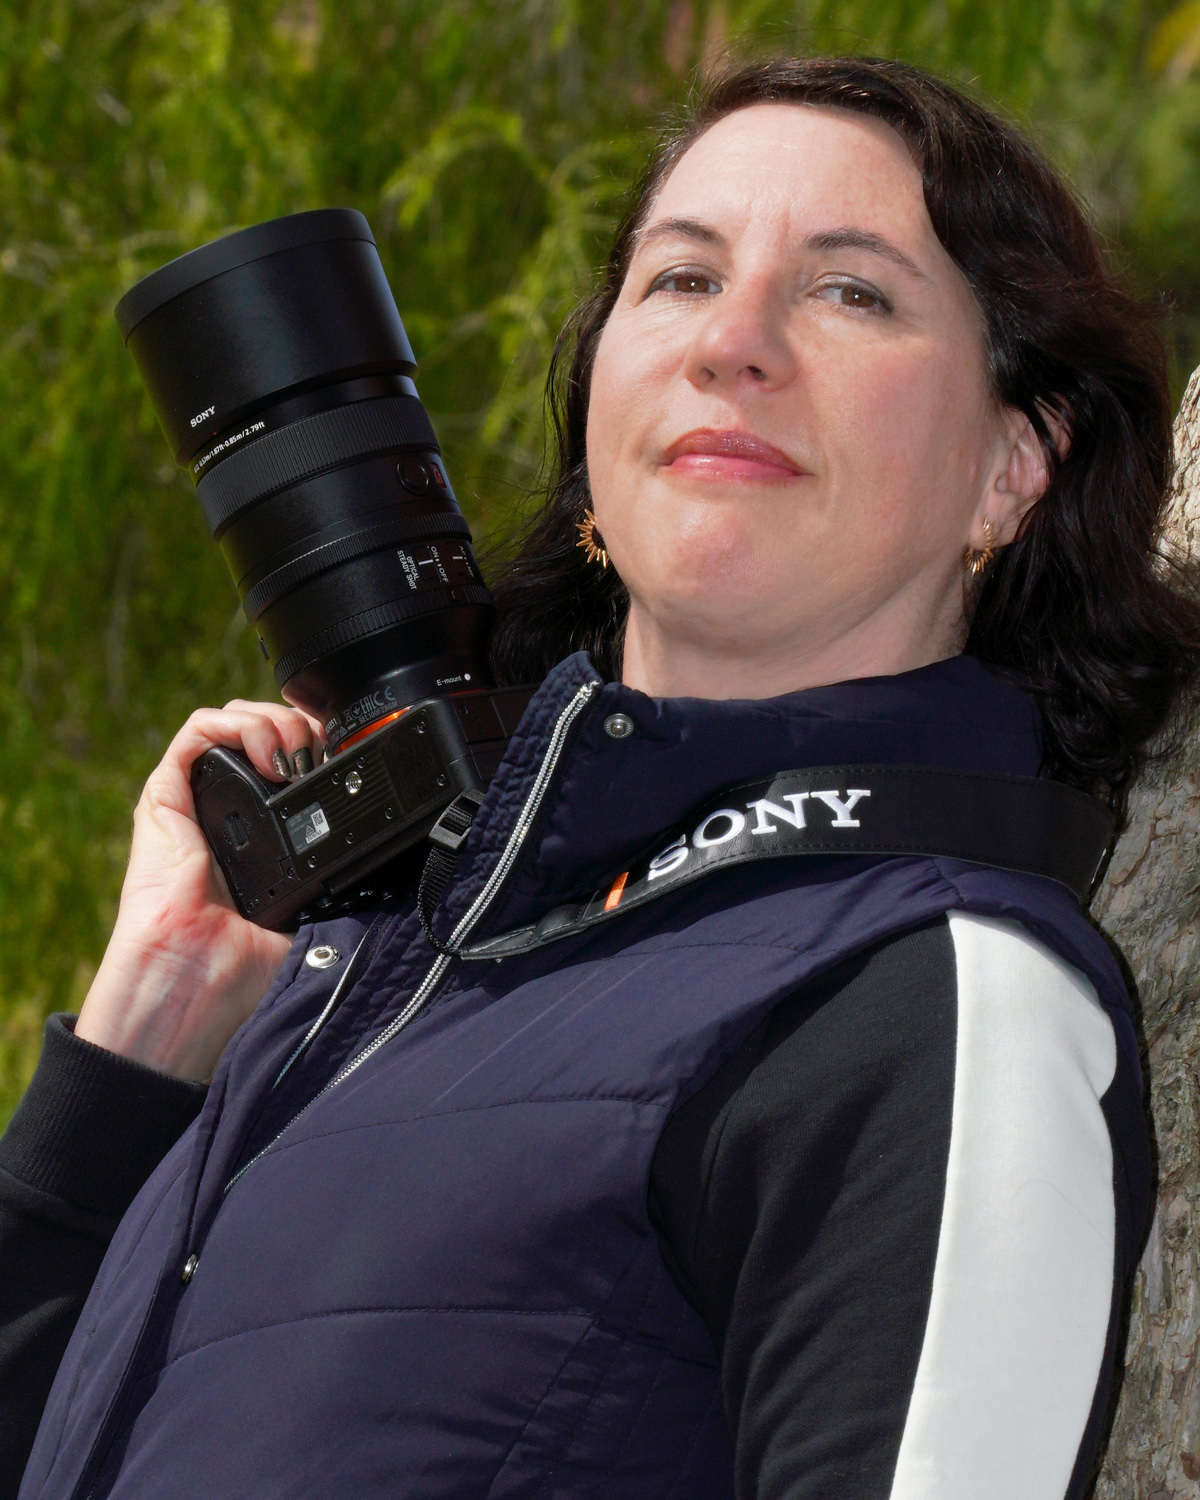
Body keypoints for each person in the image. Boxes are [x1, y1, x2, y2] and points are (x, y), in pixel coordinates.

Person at [2, 55, 1196, 1500]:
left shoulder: (929, 986)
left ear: (1015, 465)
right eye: (682, 279)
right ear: (591, 431)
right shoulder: (363, 981)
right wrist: (134, 1064)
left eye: (851, 290)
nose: (732, 344)